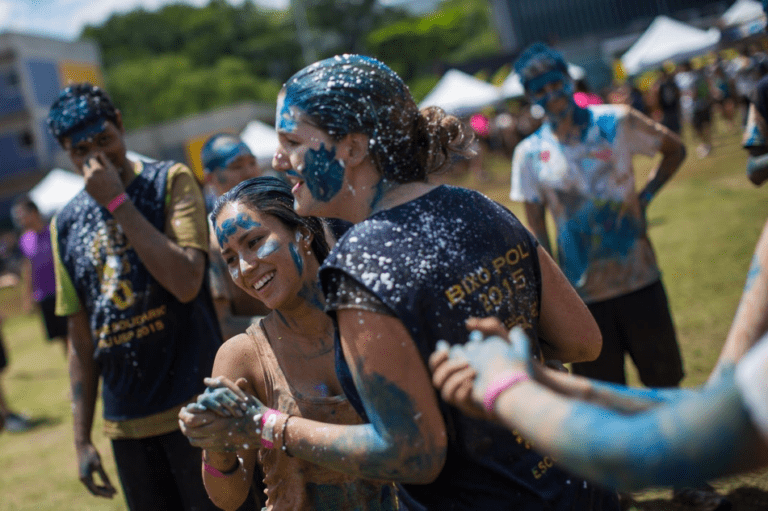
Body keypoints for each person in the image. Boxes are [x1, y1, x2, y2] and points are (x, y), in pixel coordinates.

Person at [180, 53, 618, 511]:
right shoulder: (480, 207)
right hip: (573, 485)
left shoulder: (360, 263)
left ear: (352, 149)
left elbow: (413, 454)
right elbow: (582, 341)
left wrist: (269, 425)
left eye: (291, 141)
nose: (276, 159)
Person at [47, 83, 222, 511]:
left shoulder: (170, 182)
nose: (97, 158)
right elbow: (80, 337)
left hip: (198, 406)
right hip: (126, 423)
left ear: (121, 124)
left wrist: (117, 202)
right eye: (81, 151)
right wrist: (81, 440)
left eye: (104, 140)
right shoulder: (64, 224)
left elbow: (187, 281)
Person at [179, 176, 400, 510]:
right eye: (231, 259)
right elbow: (229, 498)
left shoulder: (376, 320)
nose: (246, 267)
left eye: (254, 242)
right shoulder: (243, 357)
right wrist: (218, 447)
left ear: (303, 231)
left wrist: (268, 425)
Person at [510, 43, 687, 391]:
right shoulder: (528, 154)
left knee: (666, 386)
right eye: (540, 90)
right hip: (583, 300)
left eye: (556, 83)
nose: (552, 95)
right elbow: (537, 231)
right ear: (531, 96)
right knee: (603, 398)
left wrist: (644, 198)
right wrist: (552, 300)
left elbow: (674, 150)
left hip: (640, 279)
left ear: (569, 80)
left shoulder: (616, 121)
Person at [200, 133, 271, 340]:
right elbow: (223, 324)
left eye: (252, 162)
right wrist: (286, 325)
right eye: (237, 166)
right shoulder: (211, 239)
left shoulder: (281, 213)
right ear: (210, 178)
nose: (250, 172)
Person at [12, 196, 68, 352]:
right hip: (43, 296)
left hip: (63, 292)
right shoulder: (25, 240)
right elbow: (28, 269)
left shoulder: (53, 231)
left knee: (74, 333)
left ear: (34, 212)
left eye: (23, 215)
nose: (20, 220)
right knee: (60, 337)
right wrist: (28, 297)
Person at [656, 64, 682, 134]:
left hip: (673, 110)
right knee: (669, 131)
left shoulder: (672, 83)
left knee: (676, 130)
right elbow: (659, 99)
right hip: (666, 111)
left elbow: (677, 95)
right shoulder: (661, 86)